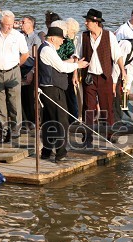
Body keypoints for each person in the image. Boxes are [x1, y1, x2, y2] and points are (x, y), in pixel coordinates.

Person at [73, 9, 126, 146]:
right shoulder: (83, 37)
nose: (86, 23)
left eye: (88, 21)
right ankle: (88, 138)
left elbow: (117, 56)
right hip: (89, 77)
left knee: (107, 107)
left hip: (105, 77)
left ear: (96, 22)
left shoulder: (109, 36)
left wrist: (123, 71)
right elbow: (77, 57)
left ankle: (110, 134)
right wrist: (74, 73)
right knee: (88, 108)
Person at [38, 27, 88, 162]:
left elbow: (57, 64)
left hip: (50, 89)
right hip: (53, 90)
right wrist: (78, 65)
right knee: (61, 121)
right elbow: (61, 68)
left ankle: (46, 151)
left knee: (49, 121)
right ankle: (60, 152)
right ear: (52, 38)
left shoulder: (48, 49)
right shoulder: (47, 50)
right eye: (60, 39)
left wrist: (73, 62)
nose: (62, 42)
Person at [0, 10, 29, 142]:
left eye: (12, 24)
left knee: (14, 102)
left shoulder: (18, 36)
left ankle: (16, 130)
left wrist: (17, 65)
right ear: (1, 22)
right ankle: (4, 132)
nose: (10, 26)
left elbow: (25, 54)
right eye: (7, 24)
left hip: (13, 70)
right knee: (0, 103)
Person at [20, 15, 42, 128]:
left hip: (29, 68)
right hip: (18, 68)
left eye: (24, 22)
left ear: (31, 25)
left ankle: (33, 121)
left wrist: (32, 72)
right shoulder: (18, 36)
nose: (21, 23)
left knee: (29, 96)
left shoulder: (35, 39)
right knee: (21, 96)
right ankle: (24, 120)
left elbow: (37, 58)